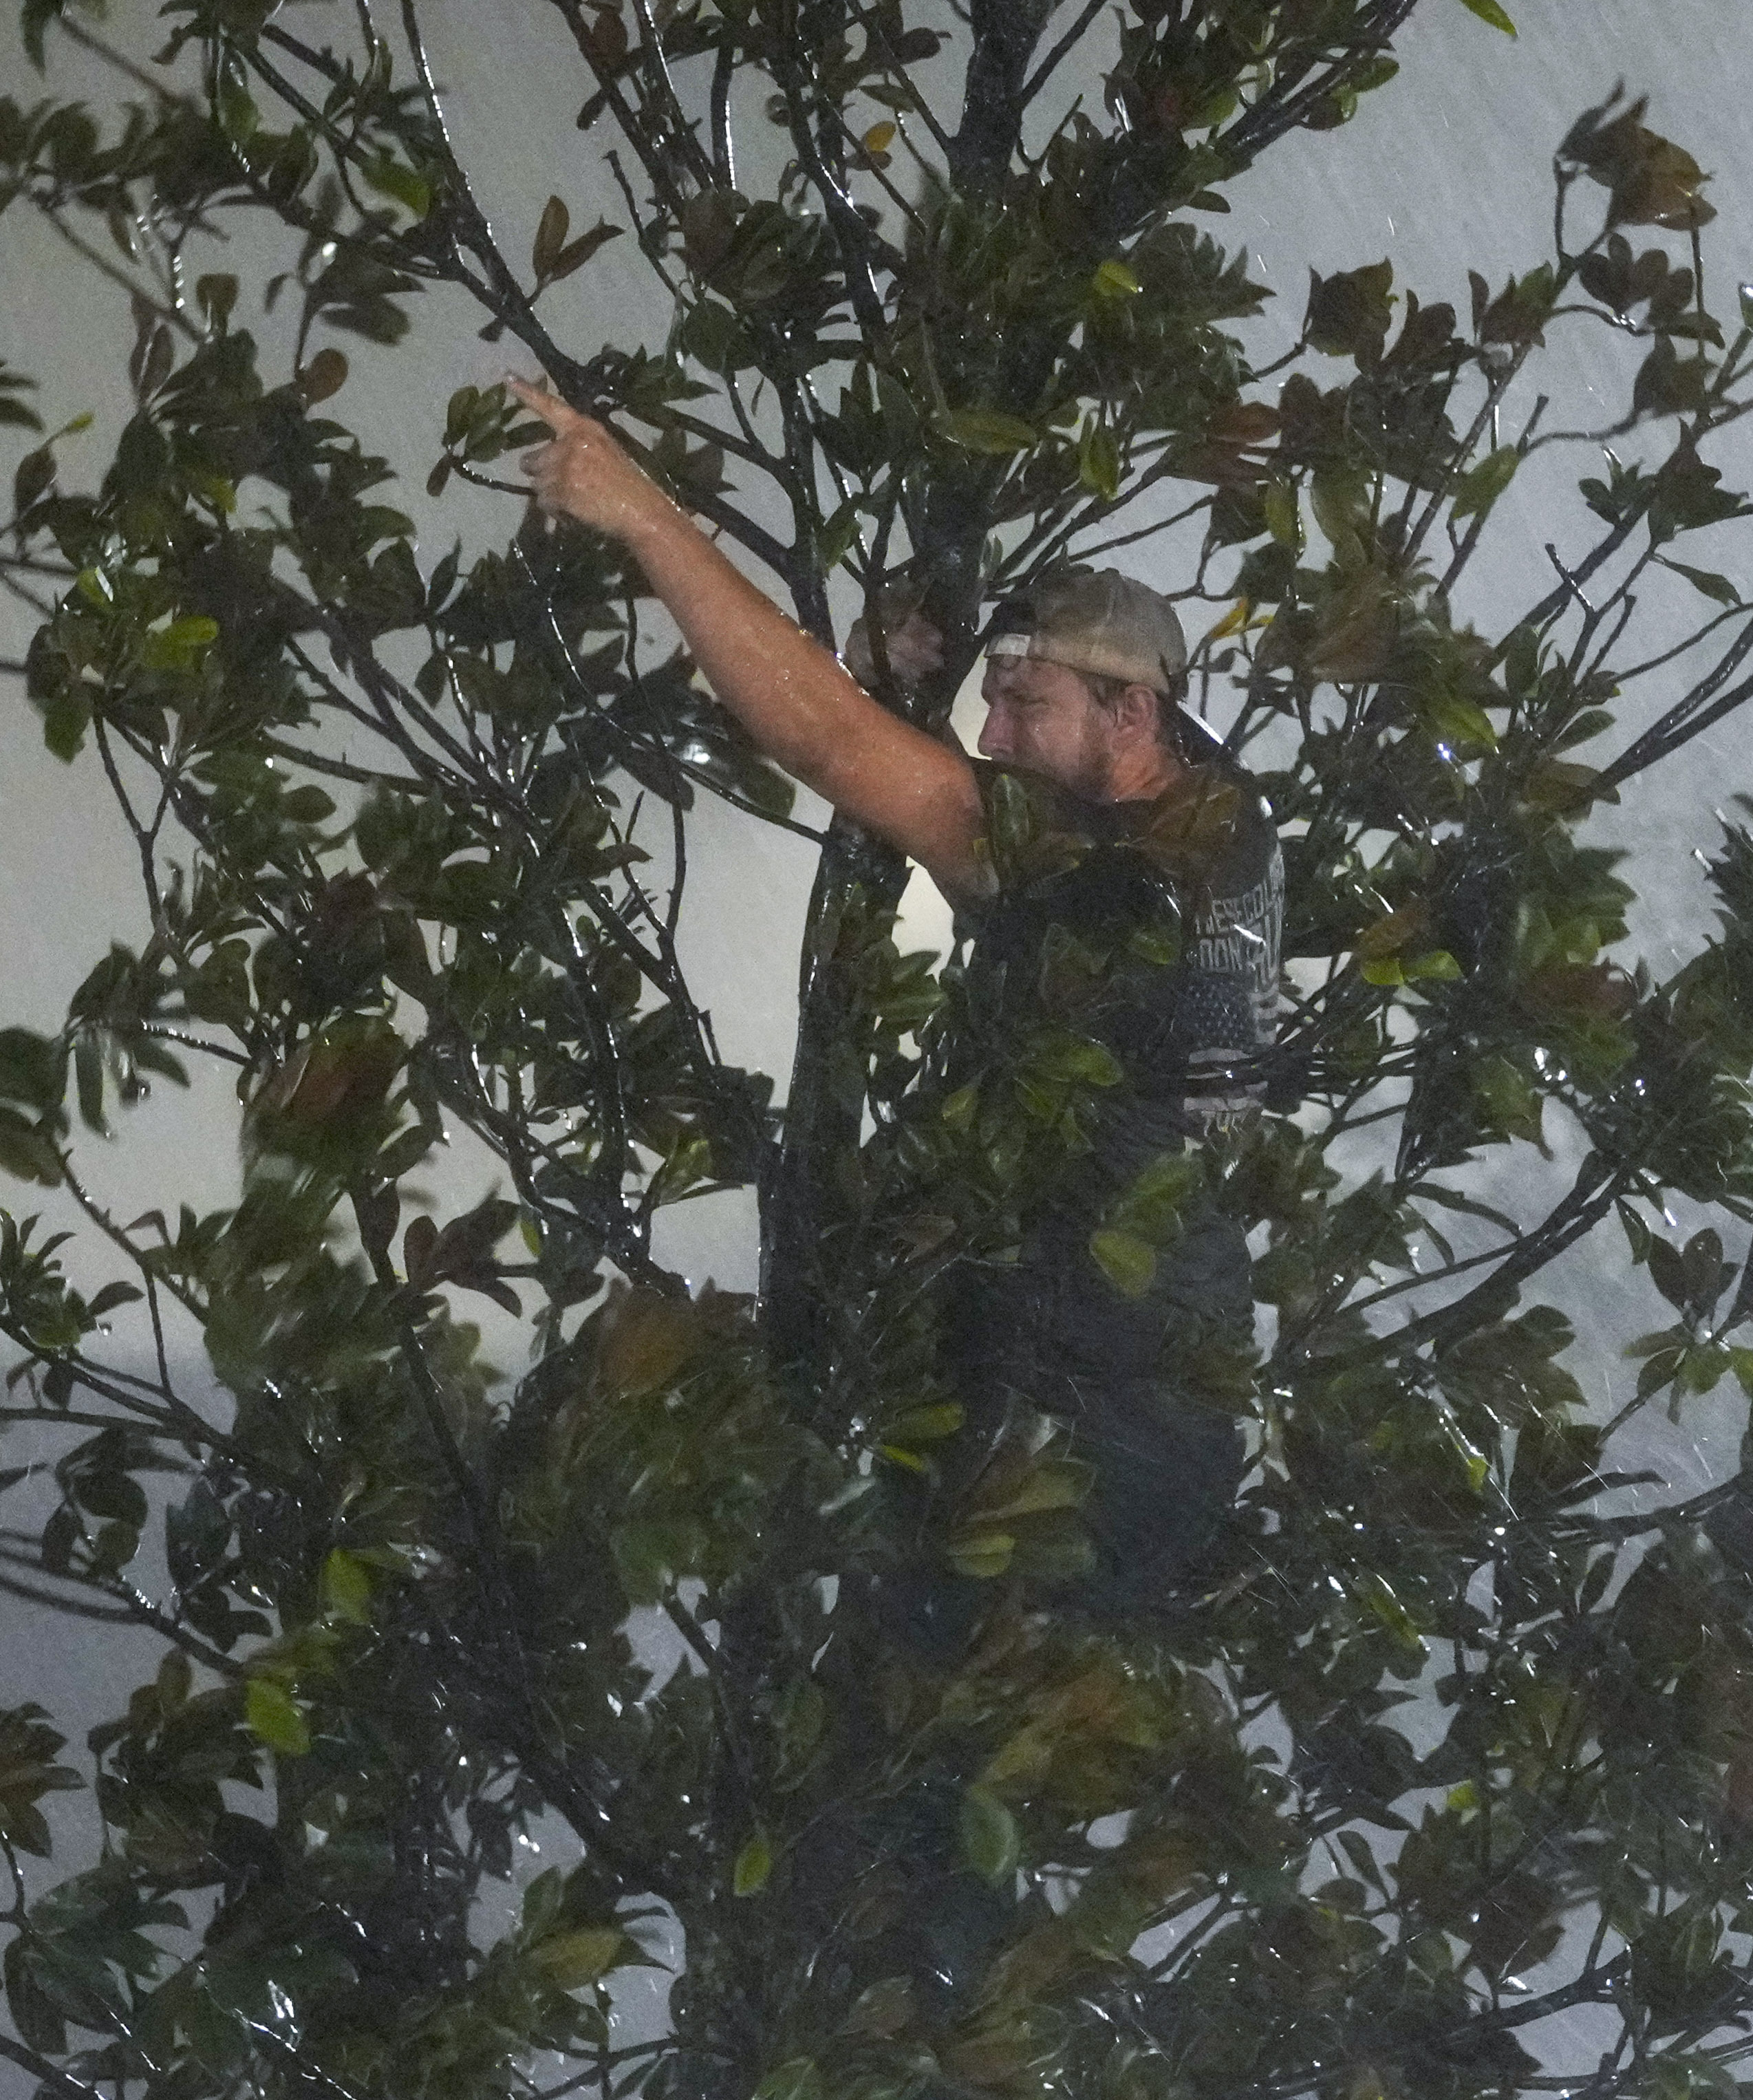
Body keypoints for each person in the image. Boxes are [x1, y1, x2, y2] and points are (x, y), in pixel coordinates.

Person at [502, 378, 1270, 1613]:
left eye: (1026, 706)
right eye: (991, 703)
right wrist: (886, 673)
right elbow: (883, 761)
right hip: (1121, 1392)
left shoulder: (1118, 867)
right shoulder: (1217, 816)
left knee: (907, 1726)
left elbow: (829, 751)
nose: (998, 736)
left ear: (1133, 713)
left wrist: (648, 520)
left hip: (1079, 1424)